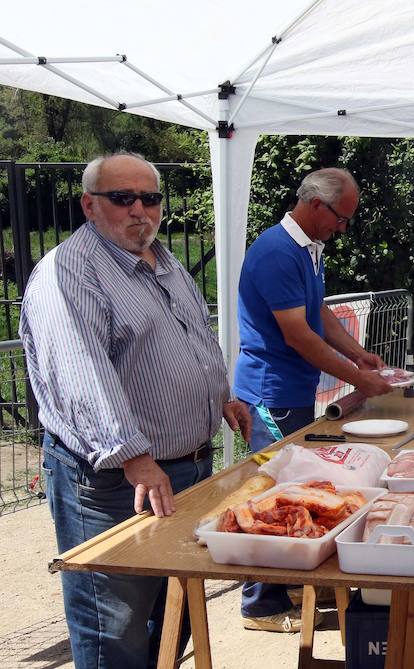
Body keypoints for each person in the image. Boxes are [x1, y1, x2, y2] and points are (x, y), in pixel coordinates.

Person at [19, 152, 251, 669]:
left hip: (185, 468)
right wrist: (134, 457)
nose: (139, 210)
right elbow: (82, 375)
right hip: (115, 480)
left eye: (150, 198)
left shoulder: (163, 260)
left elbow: (192, 339)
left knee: (172, 610)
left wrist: (221, 397)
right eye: (123, 198)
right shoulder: (69, 274)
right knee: (114, 625)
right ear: (89, 205)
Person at [234, 167, 392, 632]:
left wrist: (359, 355)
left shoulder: (308, 248)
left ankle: (286, 590)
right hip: (271, 394)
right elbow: (300, 336)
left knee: (297, 492)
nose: (342, 228)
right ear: (316, 205)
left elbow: (318, 313)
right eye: (341, 218)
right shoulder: (278, 253)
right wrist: (362, 380)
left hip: (292, 391)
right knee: (278, 496)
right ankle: (260, 606)